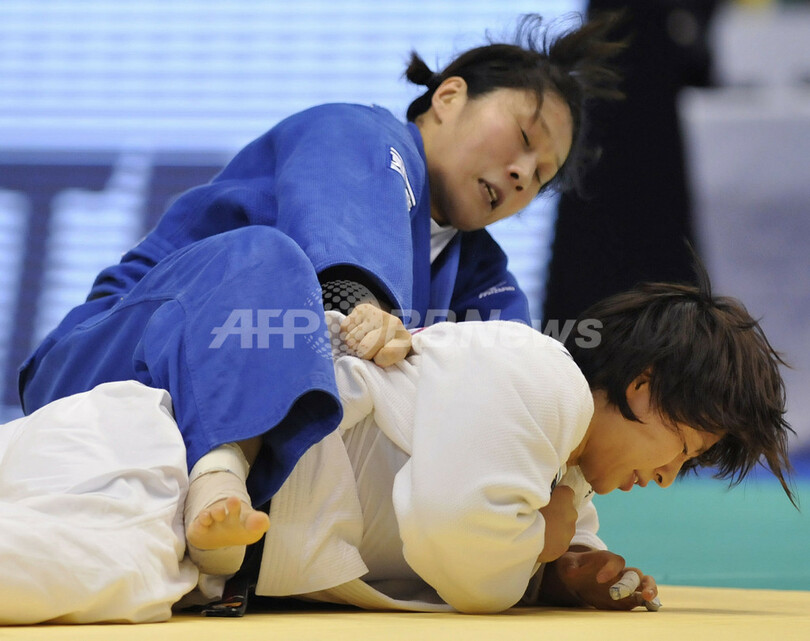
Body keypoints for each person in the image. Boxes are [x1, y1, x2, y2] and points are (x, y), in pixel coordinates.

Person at [15, 14, 624, 574]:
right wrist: (364, 306)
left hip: (200, 421)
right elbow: (342, 249)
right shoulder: (358, 133)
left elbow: (523, 398)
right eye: (522, 136)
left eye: (541, 174)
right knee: (267, 257)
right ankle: (221, 470)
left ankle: (231, 508)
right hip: (108, 357)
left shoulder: (483, 275)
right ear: (448, 97)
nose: (523, 172)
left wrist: (566, 530)